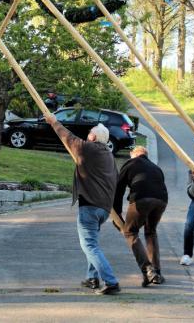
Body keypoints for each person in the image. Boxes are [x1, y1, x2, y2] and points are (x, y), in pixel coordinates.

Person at [45, 114, 121, 295]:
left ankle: (111, 281)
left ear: (94, 137)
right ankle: (92, 278)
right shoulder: (108, 155)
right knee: (93, 242)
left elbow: (68, 137)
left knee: (89, 245)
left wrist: (53, 122)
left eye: (90, 133)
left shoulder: (89, 149)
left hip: (90, 206)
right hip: (103, 208)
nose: (88, 135)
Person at [113, 146, 168, 287]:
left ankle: (148, 270)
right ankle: (157, 272)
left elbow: (118, 187)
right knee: (151, 232)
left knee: (130, 231)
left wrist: (117, 212)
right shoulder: (156, 167)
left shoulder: (131, 163)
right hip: (162, 200)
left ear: (134, 154)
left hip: (142, 199)